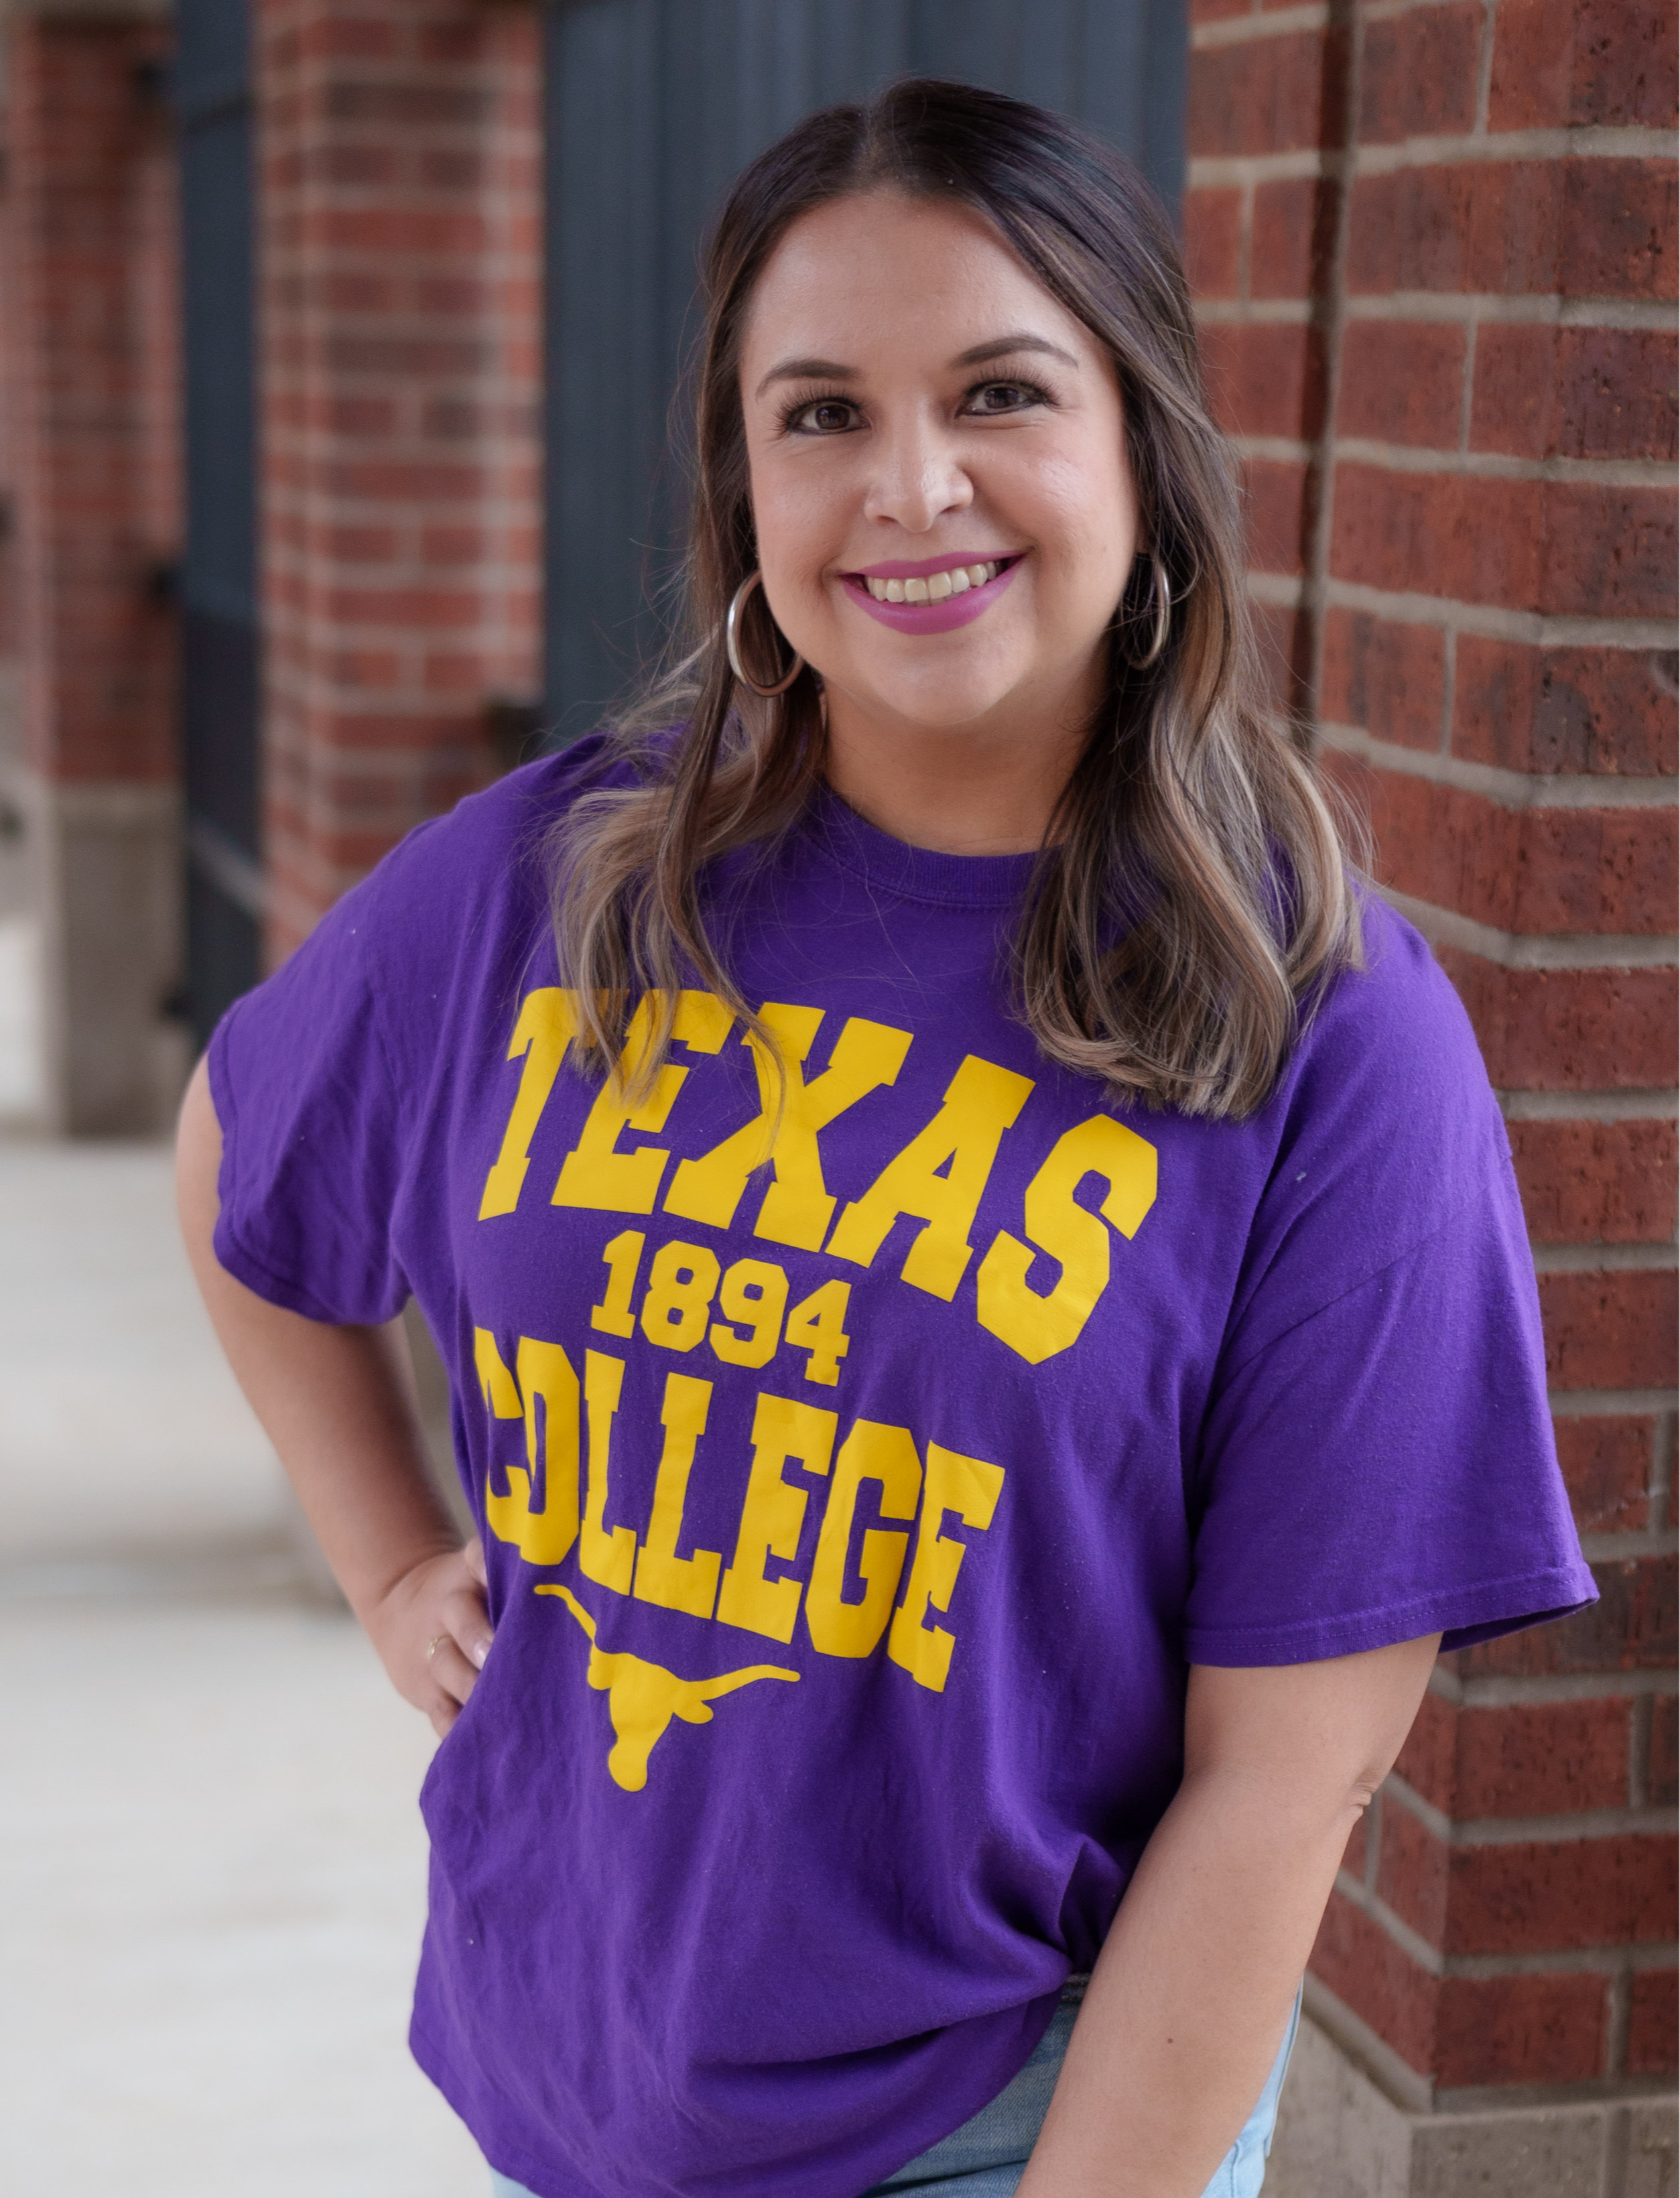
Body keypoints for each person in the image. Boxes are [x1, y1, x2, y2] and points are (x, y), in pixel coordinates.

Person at [177, 80, 1594, 2198]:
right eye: (820, 414)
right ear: (744, 490)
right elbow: (239, 1157)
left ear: (1143, 452)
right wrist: (389, 1561)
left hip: (1001, 2122)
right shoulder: (565, 878)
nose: (910, 487)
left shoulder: (1326, 1036)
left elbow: (1285, 1791)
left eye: (1002, 393)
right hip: (566, 2069)